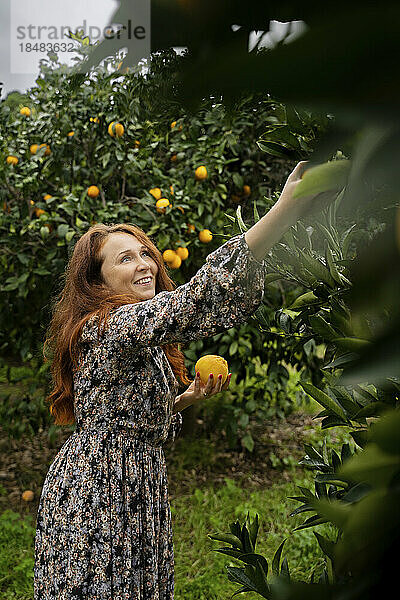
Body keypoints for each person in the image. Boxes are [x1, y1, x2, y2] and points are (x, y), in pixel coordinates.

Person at [34, 160, 322, 599]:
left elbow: (122, 412)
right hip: (100, 490)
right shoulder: (108, 325)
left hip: (135, 481)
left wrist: (181, 399)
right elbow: (196, 300)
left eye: (145, 252)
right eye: (125, 259)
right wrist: (284, 208)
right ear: (97, 280)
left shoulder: (134, 335)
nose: (144, 264)